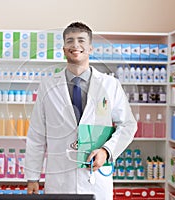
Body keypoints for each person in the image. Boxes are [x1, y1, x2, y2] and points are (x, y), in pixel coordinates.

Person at [25, 22, 137, 200]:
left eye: (81, 40)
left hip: (95, 178)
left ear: (90, 48)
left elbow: (128, 125)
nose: (75, 45)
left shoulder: (110, 84)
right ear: (64, 48)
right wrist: (32, 177)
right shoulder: (47, 85)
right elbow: (37, 134)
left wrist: (106, 151)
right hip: (60, 180)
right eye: (70, 41)